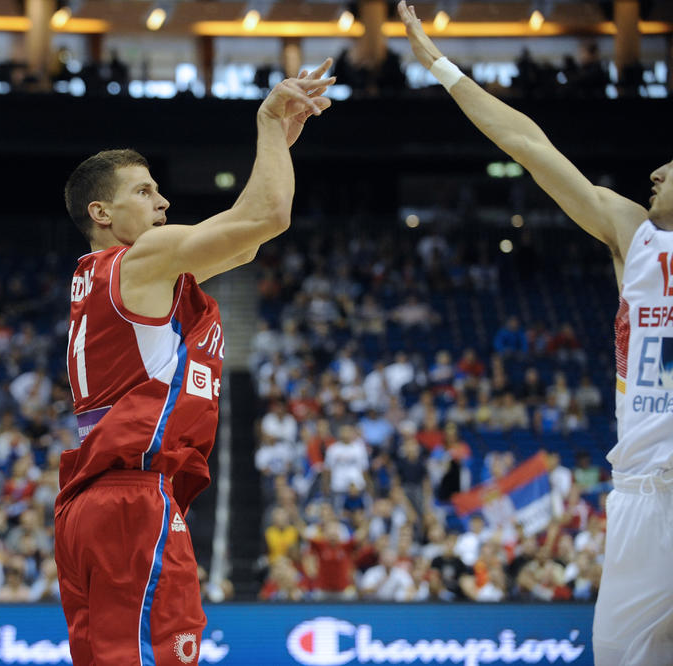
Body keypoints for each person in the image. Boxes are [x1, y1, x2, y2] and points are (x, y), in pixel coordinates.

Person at [398, 2, 673, 662]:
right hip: (642, 497)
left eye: (671, 166)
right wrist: (442, 67)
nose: (656, 173)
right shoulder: (636, 236)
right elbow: (528, 145)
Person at [54, 63, 334, 665]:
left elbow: (246, 242)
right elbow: (268, 217)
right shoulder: (141, 260)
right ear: (102, 213)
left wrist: (280, 148)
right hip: (131, 500)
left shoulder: (106, 277)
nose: (163, 201)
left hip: (92, 505)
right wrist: (267, 121)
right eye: (143, 192)